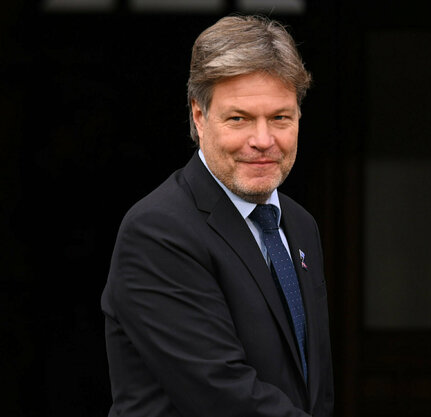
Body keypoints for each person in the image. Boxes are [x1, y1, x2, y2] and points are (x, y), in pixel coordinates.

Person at [101, 15, 333, 416]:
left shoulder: (299, 225)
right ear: (198, 116)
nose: (263, 141)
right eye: (238, 119)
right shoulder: (158, 232)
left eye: (280, 117)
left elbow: (314, 386)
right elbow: (221, 395)